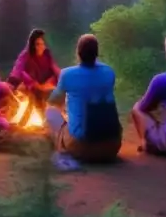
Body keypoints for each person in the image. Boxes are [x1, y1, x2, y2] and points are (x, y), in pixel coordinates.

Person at [45, 34, 123, 163]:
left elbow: (53, 100)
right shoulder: (109, 72)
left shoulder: (67, 74)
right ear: (97, 53)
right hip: (112, 146)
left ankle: (60, 146)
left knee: (50, 112)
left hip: (82, 147)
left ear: (78, 52)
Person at [8, 28, 61, 120]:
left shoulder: (47, 54)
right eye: (37, 44)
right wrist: (34, 84)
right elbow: (18, 71)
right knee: (24, 91)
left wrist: (50, 83)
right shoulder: (26, 55)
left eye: (42, 44)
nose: (41, 47)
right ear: (32, 45)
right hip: (31, 86)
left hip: (46, 84)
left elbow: (55, 69)